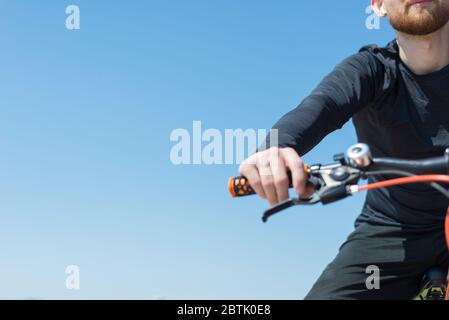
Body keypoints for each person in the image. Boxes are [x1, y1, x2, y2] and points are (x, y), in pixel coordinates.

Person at [239, 0, 449, 299]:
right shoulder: (370, 70)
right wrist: (274, 149)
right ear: (378, 6)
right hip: (390, 230)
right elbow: (322, 105)